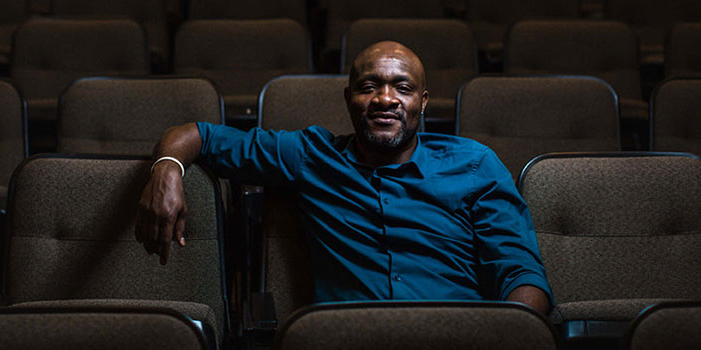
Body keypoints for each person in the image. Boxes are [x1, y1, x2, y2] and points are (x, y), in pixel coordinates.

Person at [135, 41, 552, 314]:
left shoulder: (475, 163)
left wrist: (505, 334)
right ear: (349, 98)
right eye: (369, 86)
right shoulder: (310, 156)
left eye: (402, 88)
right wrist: (166, 169)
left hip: (456, 334)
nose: (385, 99)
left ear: (422, 102)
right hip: (347, 335)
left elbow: (522, 277)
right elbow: (195, 136)